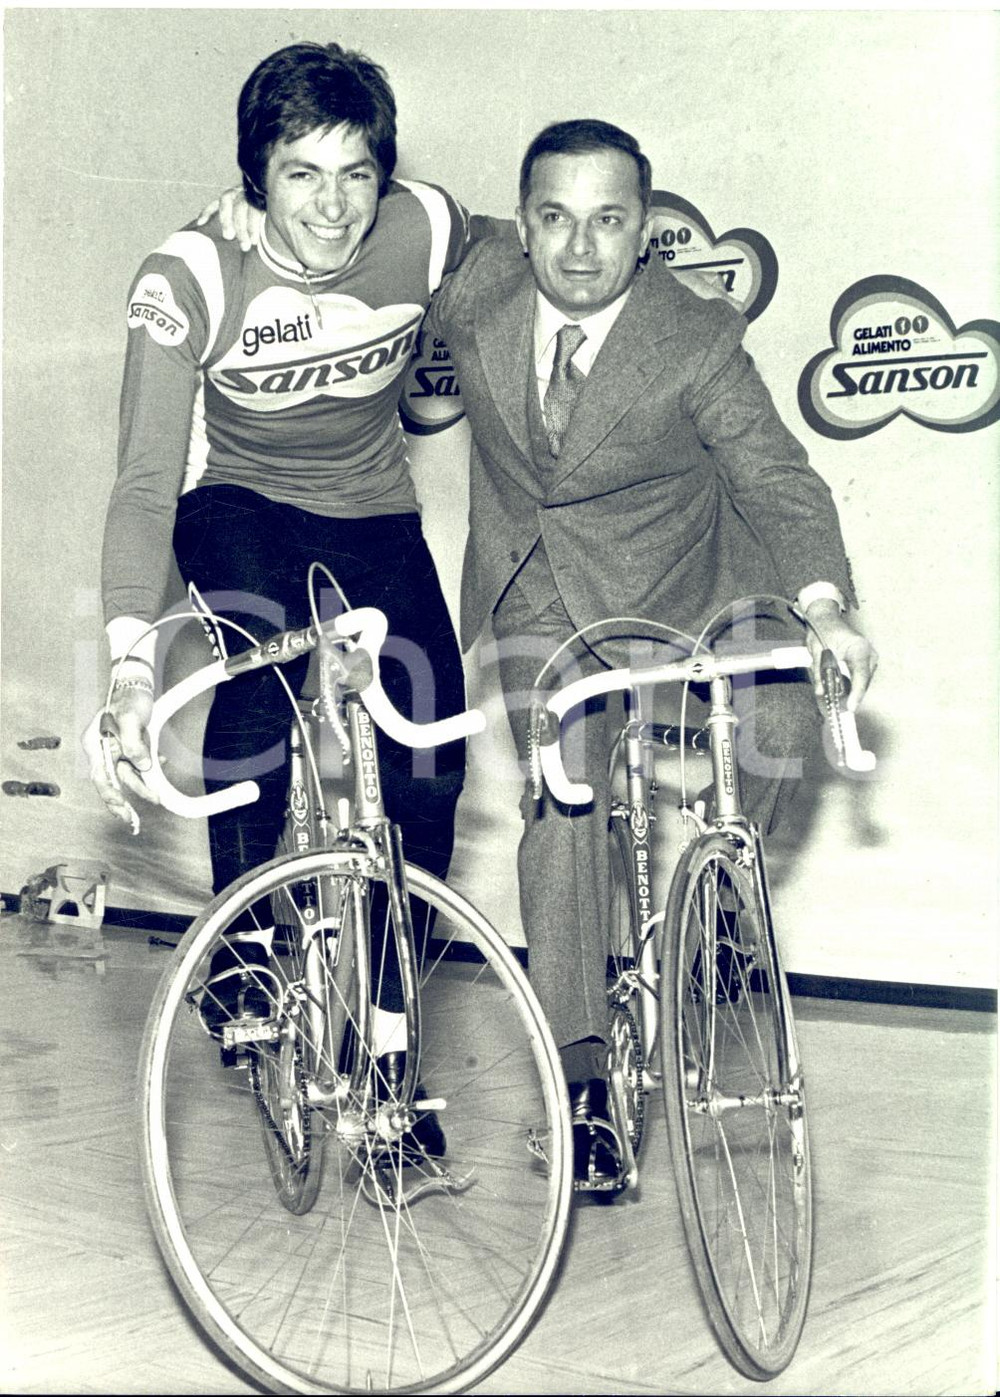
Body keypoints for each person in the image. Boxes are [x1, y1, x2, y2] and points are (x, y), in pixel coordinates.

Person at [418, 119, 878, 1188]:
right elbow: (372, 216)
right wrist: (241, 216)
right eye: (556, 218)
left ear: (645, 228)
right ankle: (582, 1082)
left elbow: (778, 477)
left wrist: (828, 608)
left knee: (780, 716)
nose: (580, 248)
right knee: (562, 804)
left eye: (609, 220)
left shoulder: (695, 336)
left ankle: (716, 907)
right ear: (521, 224)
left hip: (695, 580)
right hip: (544, 591)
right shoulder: (477, 287)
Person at [83, 42, 490, 1127]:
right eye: (301, 174)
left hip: (374, 507)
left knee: (432, 763)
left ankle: (390, 1045)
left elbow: (531, 256)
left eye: (356, 173)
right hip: (238, 500)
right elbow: (143, 484)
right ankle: (244, 949)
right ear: (255, 176)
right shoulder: (192, 274)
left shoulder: (425, 227)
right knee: (264, 668)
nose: (334, 205)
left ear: (386, 176)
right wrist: (130, 670)